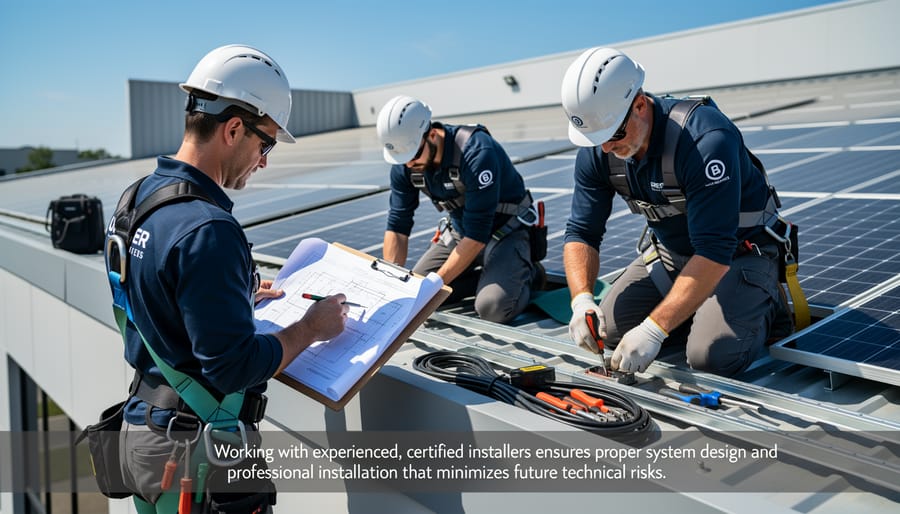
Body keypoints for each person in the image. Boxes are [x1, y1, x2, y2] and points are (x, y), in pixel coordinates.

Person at [106, 45, 348, 513]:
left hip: (147, 433)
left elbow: (150, 293)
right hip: (196, 454)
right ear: (234, 128)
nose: (264, 161)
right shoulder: (208, 229)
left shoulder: (137, 199)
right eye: (267, 143)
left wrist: (227, 297)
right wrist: (311, 328)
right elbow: (233, 367)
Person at [560, 47, 792, 377]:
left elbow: (714, 252)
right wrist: (581, 299)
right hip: (672, 256)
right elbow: (581, 233)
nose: (606, 148)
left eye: (613, 134)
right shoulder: (600, 149)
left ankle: (764, 304)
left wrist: (655, 329)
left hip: (738, 254)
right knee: (608, 330)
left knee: (711, 356)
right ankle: (692, 311)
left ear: (639, 104)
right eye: (596, 139)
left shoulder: (704, 140)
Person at [376, 95, 544, 324]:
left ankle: (528, 274)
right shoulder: (406, 164)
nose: (408, 165)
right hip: (460, 234)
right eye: (402, 159)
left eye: (414, 155)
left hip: (505, 233)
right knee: (411, 295)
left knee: (492, 307)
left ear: (432, 134)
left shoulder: (476, 152)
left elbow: (476, 237)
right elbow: (398, 224)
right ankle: (491, 277)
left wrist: (432, 288)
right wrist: (391, 280)